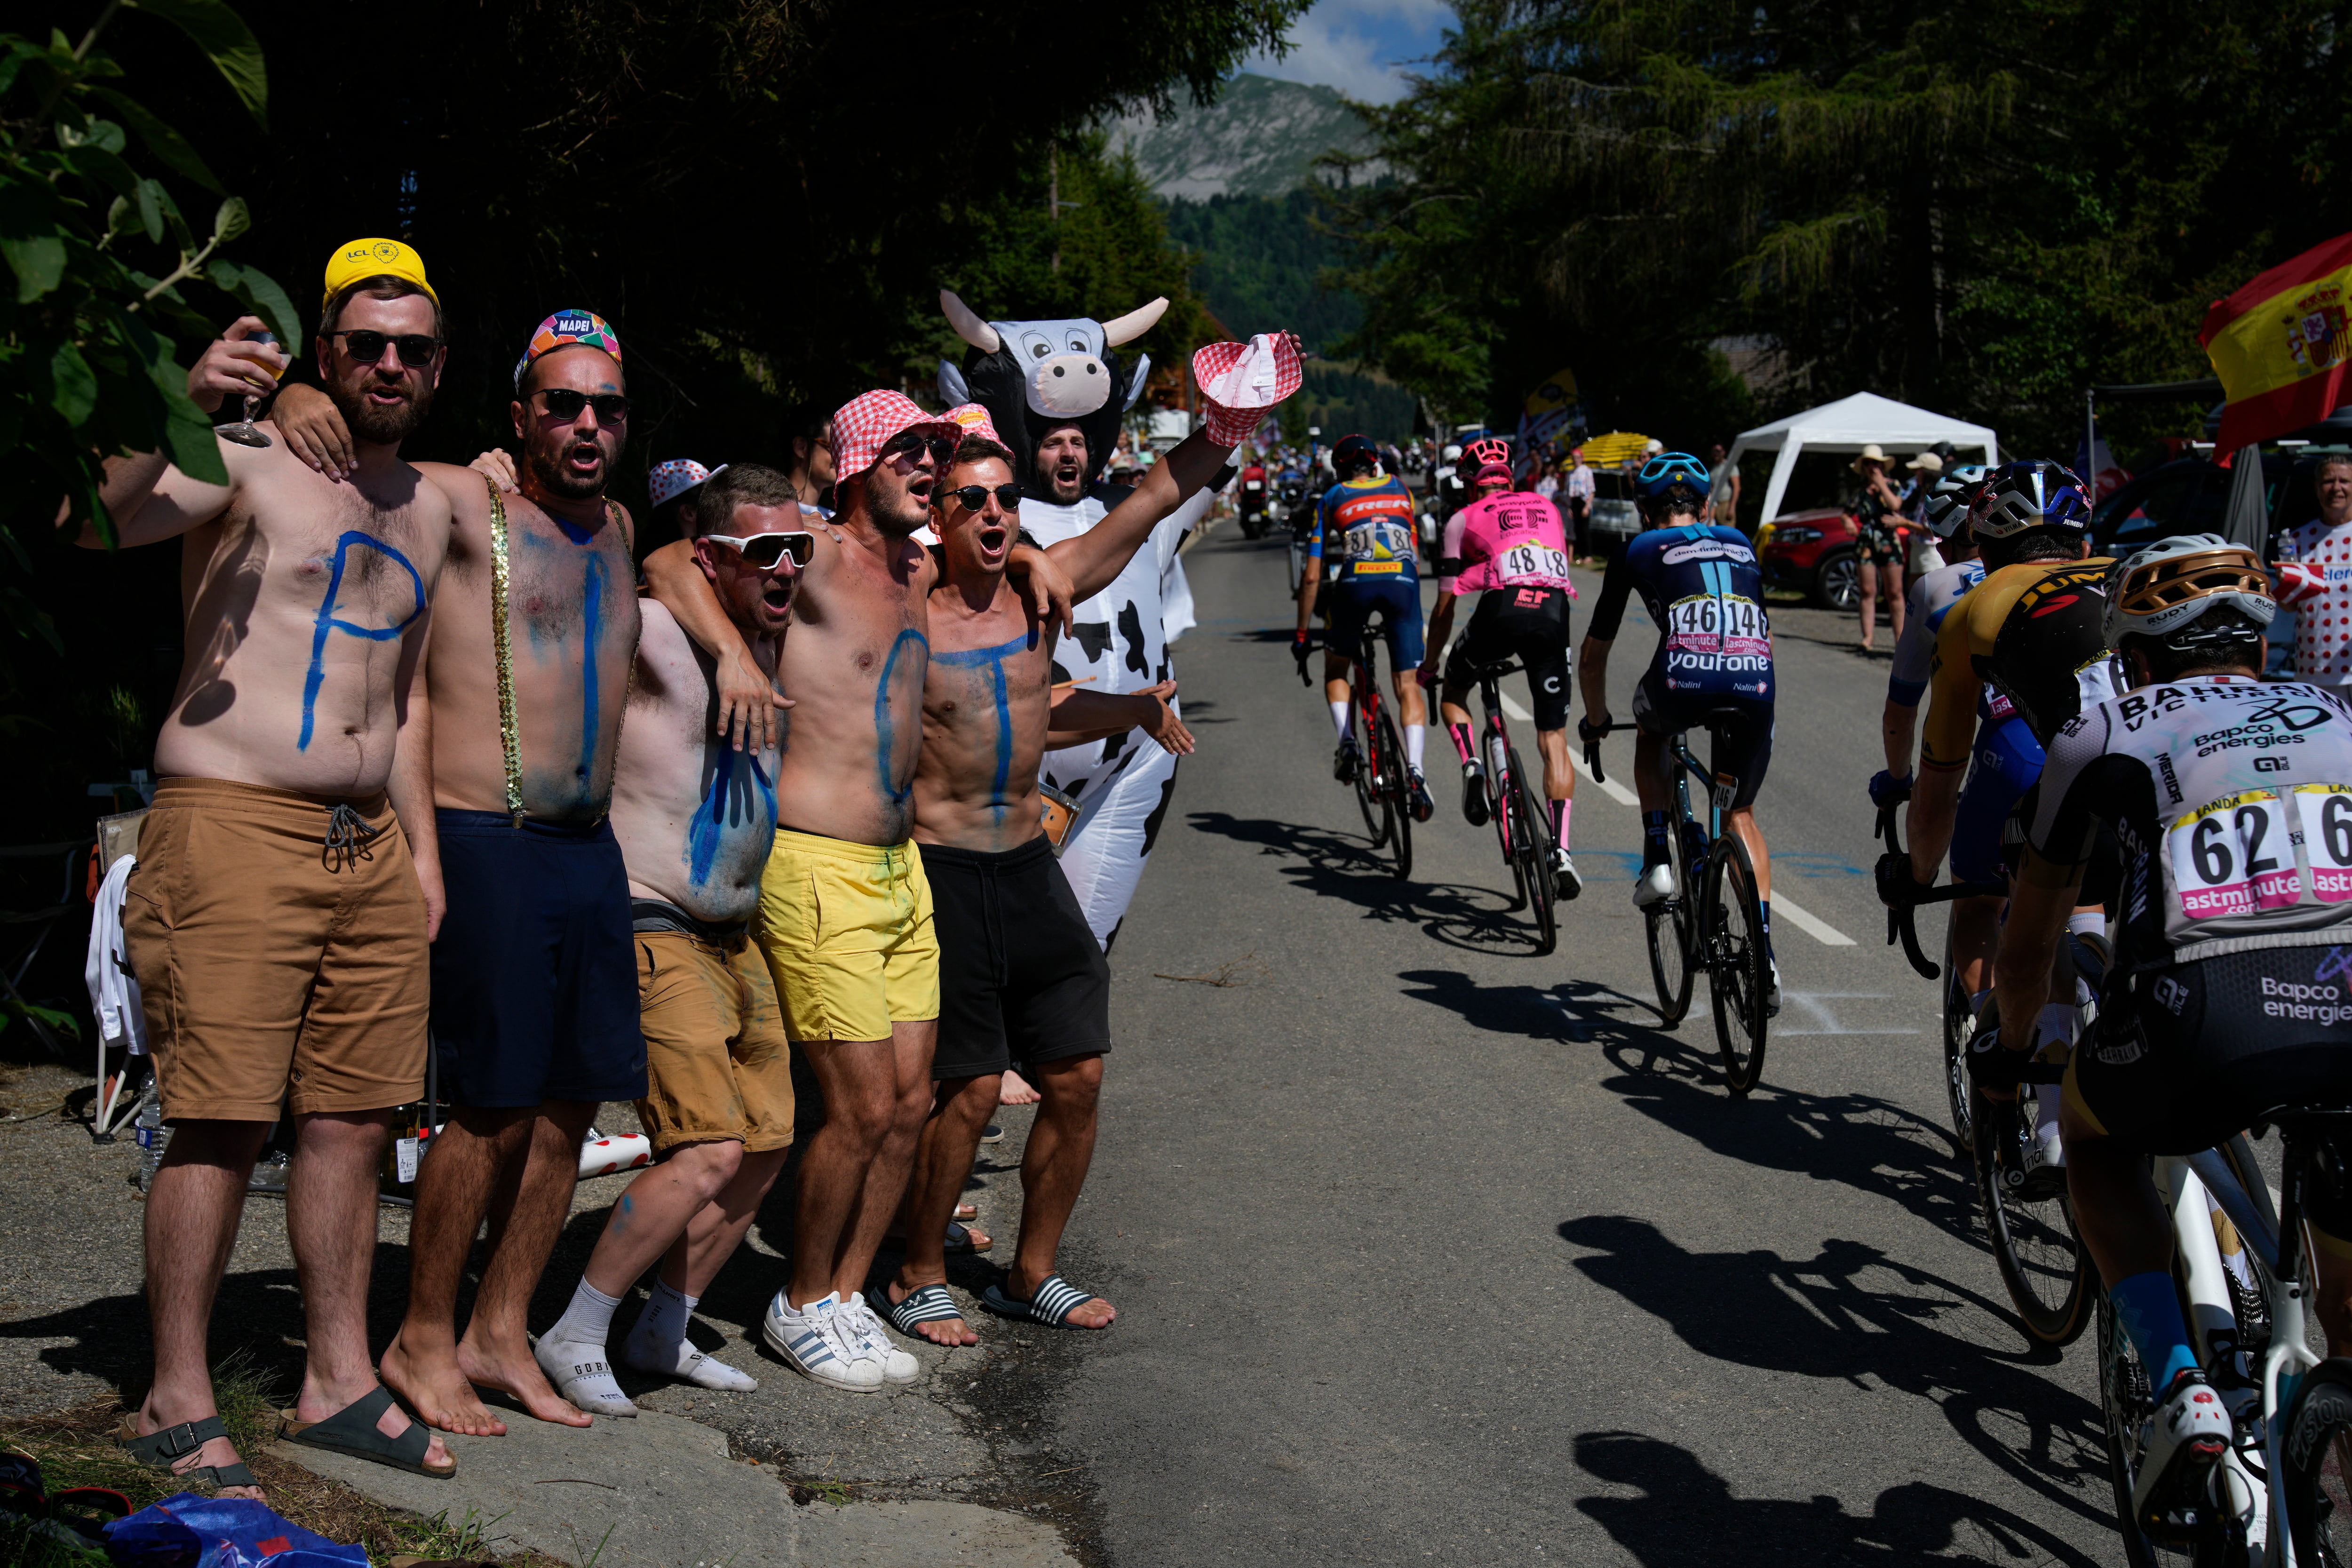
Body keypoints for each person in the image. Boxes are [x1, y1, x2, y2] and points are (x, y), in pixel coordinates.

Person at [95, 247, 458, 1495]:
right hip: (234, 820)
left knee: (355, 1117)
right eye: (367, 344)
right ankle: (176, 1390)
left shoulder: (427, 502)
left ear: (441, 366)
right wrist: (189, 396)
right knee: (222, 1112)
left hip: (368, 841)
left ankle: (338, 1378)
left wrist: (423, 857)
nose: (391, 365)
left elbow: (406, 701)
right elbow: (99, 517)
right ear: (326, 353)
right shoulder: (245, 455)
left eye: (413, 347)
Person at [1976, 534, 2352, 1538]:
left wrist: (2013, 1061)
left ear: (2134, 658)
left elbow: (2027, 951)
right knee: (2346, 1314)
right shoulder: (2341, 708)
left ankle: (2179, 1379)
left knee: (2097, 1142)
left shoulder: (2101, 730)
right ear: (2262, 648)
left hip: (2201, 1020)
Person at [885, 398, 1252, 1345]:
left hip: (1023, 862)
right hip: (942, 866)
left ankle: (1029, 1272)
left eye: (1006, 497)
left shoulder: (1037, 589)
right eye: (974, 500)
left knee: (1077, 1072)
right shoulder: (904, 602)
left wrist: (1230, 421)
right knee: (966, 1087)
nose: (999, 513)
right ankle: (917, 1270)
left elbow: (1146, 503)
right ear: (939, 514)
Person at [529, 464, 806, 1417]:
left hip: (737, 932)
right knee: (707, 1148)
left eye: (795, 549)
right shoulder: (654, 630)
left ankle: (664, 1321)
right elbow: (636, 572)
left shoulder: (771, 645)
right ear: (709, 559)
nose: (783, 567)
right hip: (653, 918)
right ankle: (574, 1328)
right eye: (760, 551)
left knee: (769, 1140)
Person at [1576, 451, 1780, 1013]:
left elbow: (1594, 657)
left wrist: (1595, 721)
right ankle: (1761, 949)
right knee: (1740, 815)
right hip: (1752, 679)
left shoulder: (1637, 549)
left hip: (1682, 681)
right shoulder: (1738, 539)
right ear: (1706, 505)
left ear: (1644, 512)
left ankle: (1657, 860)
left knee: (1651, 732)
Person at [1421, 437, 1583, 894]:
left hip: (1501, 611)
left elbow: (1445, 606)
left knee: (1455, 690)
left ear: (1470, 485)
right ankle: (1563, 851)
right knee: (1553, 738)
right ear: (1509, 478)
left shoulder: (1460, 518)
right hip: (1553, 612)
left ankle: (1472, 763)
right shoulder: (1547, 507)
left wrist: (1429, 667)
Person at [1871, 466, 2003, 1007]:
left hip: (2005, 746)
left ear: (1940, 536)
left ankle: (1994, 1057)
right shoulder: (2077, 576)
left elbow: (1902, 709)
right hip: (2090, 744)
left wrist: (1896, 779)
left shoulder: (1938, 586)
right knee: (2082, 905)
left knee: (1976, 902)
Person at [1292, 433, 1435, 820]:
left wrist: (1303, 635)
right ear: (1375, 463)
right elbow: (1416, 557)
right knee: (1408, 684)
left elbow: (1311, 578)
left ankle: (1347, 741)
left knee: (1336, 666)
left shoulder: (1333, 497)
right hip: (1404, 589)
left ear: (1338, 469)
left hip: (1355, 588)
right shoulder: (1403, 491)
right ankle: (1417, 773)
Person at [2270, 452, 2352, 691]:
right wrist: (2286, 585)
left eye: (2344, 481)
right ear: (2317, 489)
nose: (2336, 488)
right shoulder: (2297, 541)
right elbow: (2289, 606)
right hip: (2314, 669)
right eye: (2328, 481)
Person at [1852, 445, 1908, 652]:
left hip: (1887, 541)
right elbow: (1847, 512)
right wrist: (1847, 522)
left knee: (1894, 591)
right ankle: (1867, 637)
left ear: (1882, 465)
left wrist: (1880, 484)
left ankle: (1900, 640)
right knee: (1868, 590)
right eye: (1867, 463)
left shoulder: (1893, 485)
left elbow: (1896, 506)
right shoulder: (1861, 491)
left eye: (1874, 463)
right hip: (1867, 542)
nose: (1871, 467)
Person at [1564, 447, 1597, 563]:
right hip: (1574, 501)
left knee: (1585, 529)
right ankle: (1582, 555)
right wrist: (1569, 506)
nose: (1576, 460)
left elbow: (1592, 490)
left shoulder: (1587, 471)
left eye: (1578, 458)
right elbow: (1568, 491)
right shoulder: (1571, 473)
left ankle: (1588, 555)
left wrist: (1587, 506)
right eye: (1574, 458)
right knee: (1577, 529)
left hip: (1584, 500)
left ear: (1582, 459)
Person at [1706, 441, 1742, 533]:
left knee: (1729, 533)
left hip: (1726, 504)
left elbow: (1737, 487)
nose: (1715, 453)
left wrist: (1732, 507)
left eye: (1718, 451)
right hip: (1714, 504)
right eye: (1714, 451)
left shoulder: (1729, 466)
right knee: (1715, 533)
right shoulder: (1713, 468)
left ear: (1723, 452)